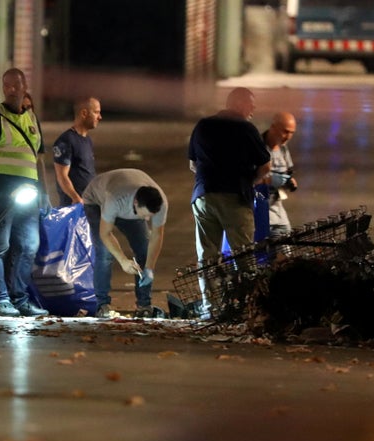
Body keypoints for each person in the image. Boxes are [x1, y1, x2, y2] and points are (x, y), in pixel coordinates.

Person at [0, 68, 51, 317]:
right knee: (0, 246)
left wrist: (45, 194)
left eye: (17, 84)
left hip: (29, 194)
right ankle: (1, 299)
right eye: (8, 85)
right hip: (0, 194)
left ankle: (20, 298)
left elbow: (39, 162)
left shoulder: (32, 120)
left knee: (29, 245)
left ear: (25, 85)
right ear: (3, 88)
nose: (13, 89)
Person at [188, 87, 271, 317]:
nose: (253, 108)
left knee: (207, 256)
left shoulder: (203, 125)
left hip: (203, 196)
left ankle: (210, 308)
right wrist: (250, 182)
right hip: (234, 197)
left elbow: (193, 164)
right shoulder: (245, 128)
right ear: (239, 104)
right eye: (250, 104)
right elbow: (265, 166)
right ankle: (249, 307)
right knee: (243, 255)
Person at [81, 168, 168, 319]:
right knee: (105, 253)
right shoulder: (115, 199)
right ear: (136, 203)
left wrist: (149, 268)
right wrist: (123, 261)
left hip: (128, 203)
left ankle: (144, 305)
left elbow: (157, 236)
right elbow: (105, 233)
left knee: (144, 249)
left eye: (151, 216)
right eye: (145, 215)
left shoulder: (160, 204)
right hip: (96, 200)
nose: (147, 220)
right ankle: (102, 305)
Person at [52, 97, 102, 206]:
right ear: (84, 113)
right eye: (96, 112)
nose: (100, 117)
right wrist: (75, 198)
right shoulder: (65, 141)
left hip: (89, 203)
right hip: (74, 206)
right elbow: (62, 175)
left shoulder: (87, 140)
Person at [262, 111, 298, 239]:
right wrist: (270, 179)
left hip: (277, 209)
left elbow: (288, 171)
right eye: (285, 131)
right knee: (261, 255)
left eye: (291, 133)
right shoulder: (259, 148)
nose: (288, 137)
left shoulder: (283, 149)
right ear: (273, 127)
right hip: (260, 209)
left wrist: (289, 182)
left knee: (286, 247)